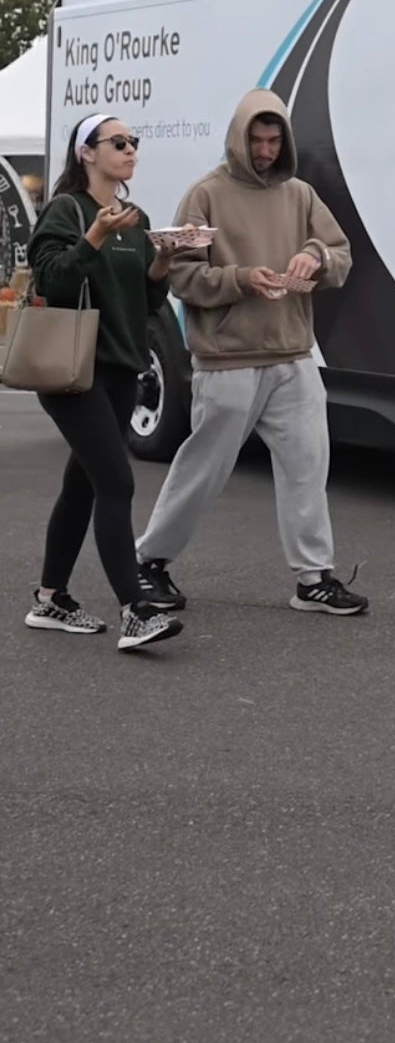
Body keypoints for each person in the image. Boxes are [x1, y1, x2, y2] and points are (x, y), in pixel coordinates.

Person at [134, 89, 368, 616]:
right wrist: (241, 279)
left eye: (273, 139)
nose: (265, 150)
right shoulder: (205, 195)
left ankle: (314, 579)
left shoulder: (301, 195)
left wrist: (313, 257)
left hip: (293, 356)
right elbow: (180, 275)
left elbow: (340, 254)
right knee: (204, 468)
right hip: (227, 361)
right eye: (256, 140)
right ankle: (149, 561)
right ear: (238, 139)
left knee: (309, 466)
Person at [24, 116, 185, 651]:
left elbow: (147, 303)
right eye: (118, 142)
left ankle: (50, 599)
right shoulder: (67, 210)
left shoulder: (136, 220)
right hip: (72, 370)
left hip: (120, 369)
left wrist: (161, 262)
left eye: (134, 142)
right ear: (86, 153)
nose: (130, 150)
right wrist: (95, 235)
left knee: (84, 484)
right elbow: (52, 279)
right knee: (117, 482)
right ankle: (134, 611)